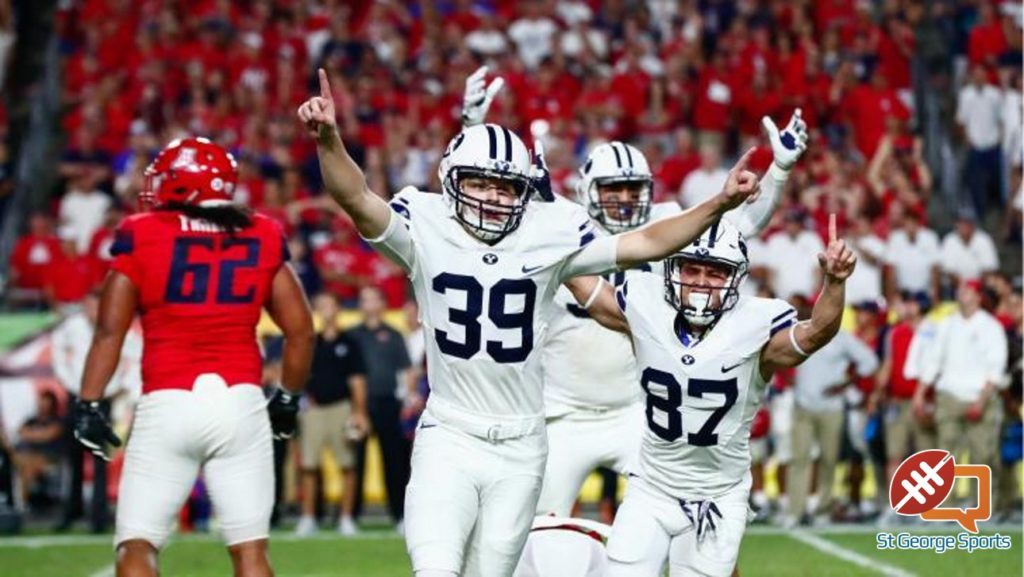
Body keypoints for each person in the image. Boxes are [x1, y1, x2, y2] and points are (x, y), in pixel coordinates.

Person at [298, 68, 760, 577]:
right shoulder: (425, 223)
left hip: (523, 442)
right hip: (450, 431)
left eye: (505, 186)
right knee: (435, 568)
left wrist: (719, 203)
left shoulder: (551, 230)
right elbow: (357, 199)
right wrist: (330, 141)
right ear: (452, 182)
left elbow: (646, 243)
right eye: (480, 183)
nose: (493, 197)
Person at [460, 67, 808, 521]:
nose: (625, 198)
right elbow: (485, 202)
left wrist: (778, 170)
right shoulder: (559, 224)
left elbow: (742, 225)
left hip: (638, 412)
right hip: (563, 411)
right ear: (587, 191)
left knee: (697, 521)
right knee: (528, 533)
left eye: (633, 188)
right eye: (613, 188)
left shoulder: (667, 225)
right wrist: (471, 127)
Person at [72, 137, 315, 577]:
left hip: (169, 399)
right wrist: (287, 399)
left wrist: (89, 402)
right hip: (240, 401)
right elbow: (300, 330)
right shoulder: (261, 231)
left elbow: (110, 330)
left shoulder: (142, 232)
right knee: (250, 553)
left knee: (137, 545)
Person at [567, 215, 856, 576]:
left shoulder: (755, 324)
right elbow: (591, 294)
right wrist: (553, 247)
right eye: (692, 270)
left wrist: (834, 283)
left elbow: (814, 333)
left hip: (718, 495)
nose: (702, 283)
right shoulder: (645, 305)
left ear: (735, 278)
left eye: (715, 272)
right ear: (672, 269)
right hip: (652, 487)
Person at [915, 279, 1009, 482]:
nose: (962, 293)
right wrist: (920, 393)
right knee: (945, 458)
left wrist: (982, 400)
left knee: (982, 457)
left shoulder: (991, 326)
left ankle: (983, 509)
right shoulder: (946, 324)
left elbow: (996, 367)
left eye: (968, 290)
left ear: (977, 296)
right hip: (949, 396)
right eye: (961, 290)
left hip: (979, 396)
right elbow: (933, 361)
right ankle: (946, 509)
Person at [295, 293, 369, 537]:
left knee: (347, 465)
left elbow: (357, 381)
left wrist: (359, 413)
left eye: (330, 305)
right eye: (321, 306)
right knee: (308, 465)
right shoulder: (311, 341)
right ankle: (308, 517)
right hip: (314, 409)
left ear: (338, 309)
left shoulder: (350, 342)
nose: (326, 310)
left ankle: (346, 518)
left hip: (341, 408)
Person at [347, 286, 414, 530]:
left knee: (394, 462)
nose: (369, 304)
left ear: (383, 304)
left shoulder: (394, 335)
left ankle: (399, 516)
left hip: (388, 403)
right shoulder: (352, 335)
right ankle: (349, 517)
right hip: (357, 406)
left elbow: (406, 371)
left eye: (374, 299)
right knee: (356, 461)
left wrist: (406, 398)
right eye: (365, 299)